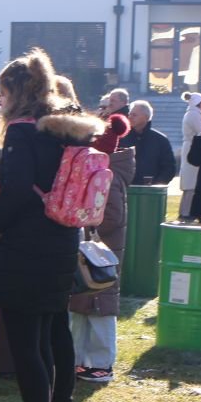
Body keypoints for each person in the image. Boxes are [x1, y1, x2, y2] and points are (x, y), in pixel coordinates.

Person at [0, 49, 95, 402]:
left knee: (27, 346)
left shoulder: (24, 133)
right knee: (43, 339)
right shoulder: (61, 131)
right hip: (60, 241)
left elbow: (18, 193)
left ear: (15, 90)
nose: (0, 98)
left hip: (27, 247)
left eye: (3, 90)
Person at [69, 115, 133, 385]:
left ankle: (101, 363)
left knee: (100, 307)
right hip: (92, 248)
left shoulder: (110, 176)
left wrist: (84, 217)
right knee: (81, 306)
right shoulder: (103, 171)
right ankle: (78, 360)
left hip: (102, 252)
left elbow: (112, 217)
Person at [126, 100, 176, 186]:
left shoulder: (160, 140)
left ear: (146, 117)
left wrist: (155, 186)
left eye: (134, 115)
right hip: (124, 190)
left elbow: (169, 167)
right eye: (130, 114)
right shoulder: (121, 138)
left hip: (150, 193)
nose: (130, 117)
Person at [179, 92, 201, 220]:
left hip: (192, 146)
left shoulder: (193, 113)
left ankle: (186, 211)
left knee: (191, 182)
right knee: (190, 183)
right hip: (192, 148)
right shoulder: (193, 114)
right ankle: (186, 212)